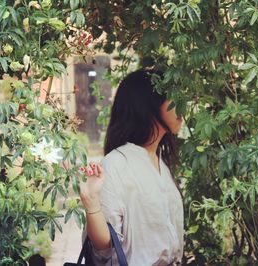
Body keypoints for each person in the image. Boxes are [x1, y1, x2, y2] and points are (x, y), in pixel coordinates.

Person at [79, 69, 184, 265]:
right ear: (149, 103)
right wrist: (92, 204)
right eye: (173, 98)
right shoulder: (116, 164)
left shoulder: (160, 162)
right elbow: (103, 250)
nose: (182, 106)